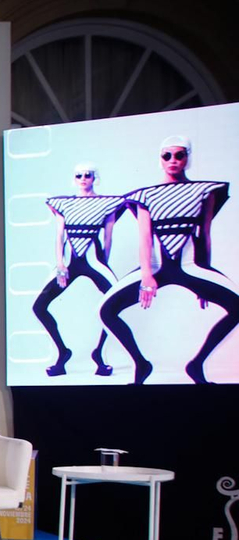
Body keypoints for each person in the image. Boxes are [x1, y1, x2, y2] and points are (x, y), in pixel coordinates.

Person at [98, 135, 235, 384]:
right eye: (167, 155)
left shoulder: (204, 191)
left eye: (179, 155)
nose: (173, 160)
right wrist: (146, 276)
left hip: (191, 266)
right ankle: (141, 364)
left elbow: (205, 235)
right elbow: (144, 239)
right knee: (106, 310)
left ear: (187, 158)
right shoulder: (145, 196)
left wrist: (206, 277)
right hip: (155, 267)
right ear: (160, 159)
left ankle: (196, 365)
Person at [33, 164, 125, 377]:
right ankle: (62, 353)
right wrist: (60, 264)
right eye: (79, 175)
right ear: (74, 179)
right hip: (69, 262)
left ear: (94, 178)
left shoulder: (107, 203)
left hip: (95, 260)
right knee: (39, 306)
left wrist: (104, 262)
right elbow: (59, 235)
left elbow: (108, 237)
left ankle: (99, 355)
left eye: (87, 175)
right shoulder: (64, 203)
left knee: (115, 303)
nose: (83, 178)